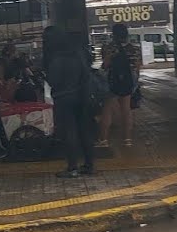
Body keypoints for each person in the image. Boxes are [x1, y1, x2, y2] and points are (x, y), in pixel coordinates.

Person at [46, 28, 95, 178]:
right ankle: (89, 165)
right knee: (84, 131)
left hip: (64, 98)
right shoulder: (78, 54)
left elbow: (53, 80)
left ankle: (72, 167)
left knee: (69, 132)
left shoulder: (56, 57)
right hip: (81, 97)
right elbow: (86, 75)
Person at [99, 23, 142, 147]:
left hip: (113, 80)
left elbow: (105, 65)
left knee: (107, 109)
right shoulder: (134, 48)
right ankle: (127, 139)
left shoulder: (108, 48)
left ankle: (103, 140)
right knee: (126, 109)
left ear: (113, 34)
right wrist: (135, 82)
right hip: (129, 80)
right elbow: (137, 67)